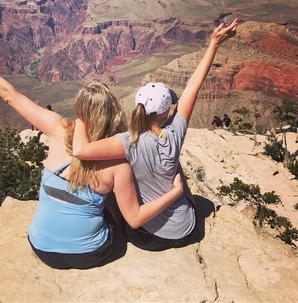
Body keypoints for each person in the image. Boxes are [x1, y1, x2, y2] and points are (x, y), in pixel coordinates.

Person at [0, 32, 184, 270]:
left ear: (79, 111)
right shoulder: (118, 164)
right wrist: (175, 192)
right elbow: (136, 219)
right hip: (91, 253)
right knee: (113, 202)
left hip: (40, 246)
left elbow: (10, 95)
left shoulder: (56, 129)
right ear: (112, 114)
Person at [72, 18, 239, 251]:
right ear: (166, 111)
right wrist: (214, 44)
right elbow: (193, 86)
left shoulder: (128, 142)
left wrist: (82, 114)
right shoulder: (175, 132)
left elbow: (80, 151)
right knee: (179, 177)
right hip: (187, 229)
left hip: (147, 237)